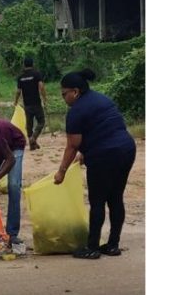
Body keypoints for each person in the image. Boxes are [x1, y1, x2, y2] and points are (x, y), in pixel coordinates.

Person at [53, 68, 136, 259]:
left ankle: (92, 248)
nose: (64, 98)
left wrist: (61, 172)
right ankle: (113, 245)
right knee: (115, 197)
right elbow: (104, 127)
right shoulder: (102, 99)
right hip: (126, 149)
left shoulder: (76, 111)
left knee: (97, 200)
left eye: (64, 94)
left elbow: (72, 146)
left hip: (104, 155)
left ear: (75, 91)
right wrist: (85, 154)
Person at [13, 57, 47, 150]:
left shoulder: (21, 77)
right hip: (36, 103)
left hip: (27, 104)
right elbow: (41, 87)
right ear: (33, 64)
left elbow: (18, 91)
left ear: (24, 65)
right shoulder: (36, 74)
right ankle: (33, 138)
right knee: (41, 121)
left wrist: (15, 102)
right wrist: (44, 98)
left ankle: (32, 144)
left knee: (29, 124)